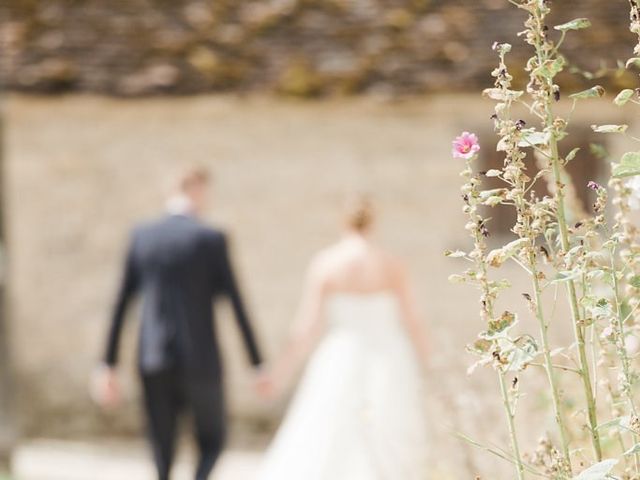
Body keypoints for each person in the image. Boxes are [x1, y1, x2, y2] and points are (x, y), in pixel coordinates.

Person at [92, 167, 264, 480]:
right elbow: (237, 304)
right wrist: (257, 364)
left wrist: (108, 364)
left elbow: (120, 303)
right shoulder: (210, 238)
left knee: (162, 448)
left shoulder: (142, 236)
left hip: (153, 357)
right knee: (213, 441)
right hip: (201, 360)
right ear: (196, 189)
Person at [257, 195, 430, 480]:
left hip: (340, 353)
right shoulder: (391, 264)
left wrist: (279, 375)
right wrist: (429, 361)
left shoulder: (327, 263)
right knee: (389, 425)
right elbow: (413, 319)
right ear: (373, 223)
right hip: (389, 355)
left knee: (328, 426)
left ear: (343, 222)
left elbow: (306, 326)